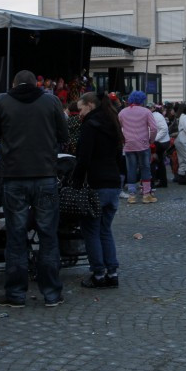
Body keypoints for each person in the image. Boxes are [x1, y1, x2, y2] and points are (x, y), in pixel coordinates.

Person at [0, 70, 70, 308]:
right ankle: (52, 293)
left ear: (13, 84)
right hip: (45, 174)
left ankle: (15, 294)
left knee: (15, 236)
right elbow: (63, 135)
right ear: (37, 84)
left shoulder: (1, 101)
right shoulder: (51, 101)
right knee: (48, 235)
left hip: (14, 176)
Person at [74, 91, 124, 288]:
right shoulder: (112, 122)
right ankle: (112, 273)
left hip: (97, 182)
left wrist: (75, 182)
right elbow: (119, 155)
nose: (79, 113)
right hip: (113, 183)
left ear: (89, 105)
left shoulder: (90, 125)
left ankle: (98, 274)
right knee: (105, 230)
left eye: (81, 109)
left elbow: (83, 157)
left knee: (91, 230)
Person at [118, 90, 158, 204]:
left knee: (130, 169)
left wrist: (123, 140)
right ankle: (146, 195)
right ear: (142, 100)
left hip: (129, 144)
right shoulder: (146, 112)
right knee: (145, 168)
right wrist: (151, 140)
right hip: (143, 144)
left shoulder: (122, 112)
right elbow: (154, 128)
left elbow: (117, 128)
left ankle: (131, 196)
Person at [150, 104, 171, 189]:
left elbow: (164, 129)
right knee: (159, 161)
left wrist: (154, 139)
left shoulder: (156, 116)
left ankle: (153, 182)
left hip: (160, 142)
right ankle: (162, 181)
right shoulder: (155, 115)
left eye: (150, 107)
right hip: (162, 141)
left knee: (153, 161)